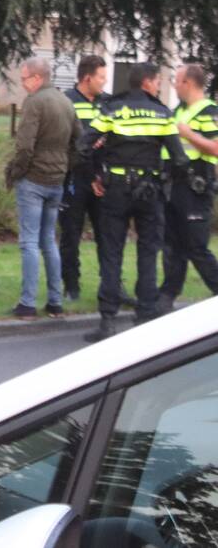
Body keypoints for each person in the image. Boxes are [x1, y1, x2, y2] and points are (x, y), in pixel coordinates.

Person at [80, 62, 188, 342]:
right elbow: (178, 157)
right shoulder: (163, 112)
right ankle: (144, 315)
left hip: (115, 189)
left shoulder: (112, 109)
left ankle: (107, 322)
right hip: (149, 190)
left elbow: (84, 145)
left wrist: (97, 173)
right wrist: (165, 180)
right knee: (148, 251)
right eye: (157, 81)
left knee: (112, 252)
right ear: (147, 82)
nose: (160, 86)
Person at [4, 57, 81, 319]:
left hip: (34, 181)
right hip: (57, 180)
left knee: (28, 242)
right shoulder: (66, 102)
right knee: (49, 241)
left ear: (37, 78)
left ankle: (27, 303)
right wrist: (64, 169)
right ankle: (55, 302)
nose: (23, 83)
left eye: (25, 78)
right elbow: (77, 142)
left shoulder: (35, 102)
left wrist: (15, 172)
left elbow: (25, 146)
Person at [59, 55, 135, 305]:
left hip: (105, 180)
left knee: (109, 235)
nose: (105, 82)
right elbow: (67, 144)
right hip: (76, 180)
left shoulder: (108, 102)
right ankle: (71, 286)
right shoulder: (67, 101)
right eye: (101, 77)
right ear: (87, 77)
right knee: (71, 234)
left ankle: (113, 286)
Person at [157, 64, 218, 312]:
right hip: (174, 186)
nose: (174, 85)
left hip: (196, 187)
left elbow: (215, 148)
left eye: (177, 81)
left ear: (188, 84)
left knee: (195, 246)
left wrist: (189, 134)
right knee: (172, 244)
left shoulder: (209, 111)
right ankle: (167, 296)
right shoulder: (177, 111)